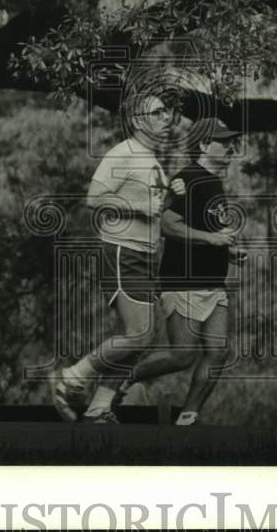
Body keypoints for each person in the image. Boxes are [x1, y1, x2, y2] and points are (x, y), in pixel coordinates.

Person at [49, 90, 183, 423]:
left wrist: (170, 199)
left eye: (169, 115)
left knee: (144, 337)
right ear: (138, 120)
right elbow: (94, 198)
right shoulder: (123, 153)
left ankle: (99, 408)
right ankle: (72, 378)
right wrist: (139, 206)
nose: (166, 120)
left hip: (145, 257)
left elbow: (152, 213)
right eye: (158, 113)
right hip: (122, 253)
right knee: (139, 333)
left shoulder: (151, 160)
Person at [114, 117, 246, 426]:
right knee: (182, 355)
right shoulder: (188, 178)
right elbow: (167, 224)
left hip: (214, 284)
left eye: (231, 142)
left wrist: (229, 249)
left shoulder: (212, 182)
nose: (230, 147)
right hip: (183, 281)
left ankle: (188, 417)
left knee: (218, 352)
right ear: (202, 145)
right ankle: (120, 379)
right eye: (223, 142)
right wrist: (213, 239)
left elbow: (208, 227)